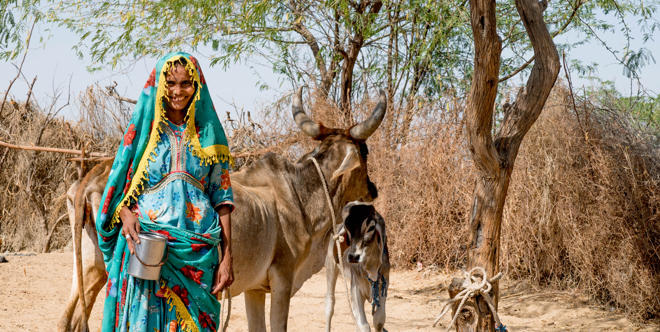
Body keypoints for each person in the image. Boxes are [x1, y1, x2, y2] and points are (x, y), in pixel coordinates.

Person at [96, 52, 234, 332]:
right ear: (160, 84)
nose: (178, 91)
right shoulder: (144, 135)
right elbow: (120, 189)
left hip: (198, 252)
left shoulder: (209, 135)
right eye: (171, 83)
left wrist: (228, 255)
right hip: (149, 248)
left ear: (197, 87)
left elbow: (222, 199)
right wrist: (125, 214)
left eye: (186, 84)